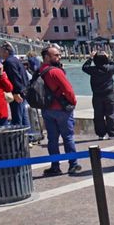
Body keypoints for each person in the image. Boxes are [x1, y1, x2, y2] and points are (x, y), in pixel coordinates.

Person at [35, 45, 82, 176]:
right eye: (56, 55)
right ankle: (73, 164)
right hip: (61, 109)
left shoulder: (40, 70)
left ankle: (55, 166)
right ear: (46, 57)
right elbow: (68, 90)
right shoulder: (55, 72)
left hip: (46, 109)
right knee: (68, 137)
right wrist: (72, 103)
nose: (59, 57)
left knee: (52, 139)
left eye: (59, 54)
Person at [82, 50, 114, 139]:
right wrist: (108, 58)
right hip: (109, 94)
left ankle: (101, 134)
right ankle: (113, 133)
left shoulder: (93, 70)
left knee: (98, 115)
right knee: (111, 113)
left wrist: (90, 58)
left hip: (97, 95)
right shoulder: (110, 69)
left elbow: (84, 67)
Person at [0, 42, 30, 135]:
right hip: (23, 90)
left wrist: (16, 92)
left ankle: (20, 138)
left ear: (6, 51)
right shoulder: (15, 60)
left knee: (17, 117)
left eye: (1, 51)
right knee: (23, 116)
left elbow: (14, 77)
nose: (0, 53)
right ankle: (28, 137)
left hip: (17, 93)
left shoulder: (9, 62)